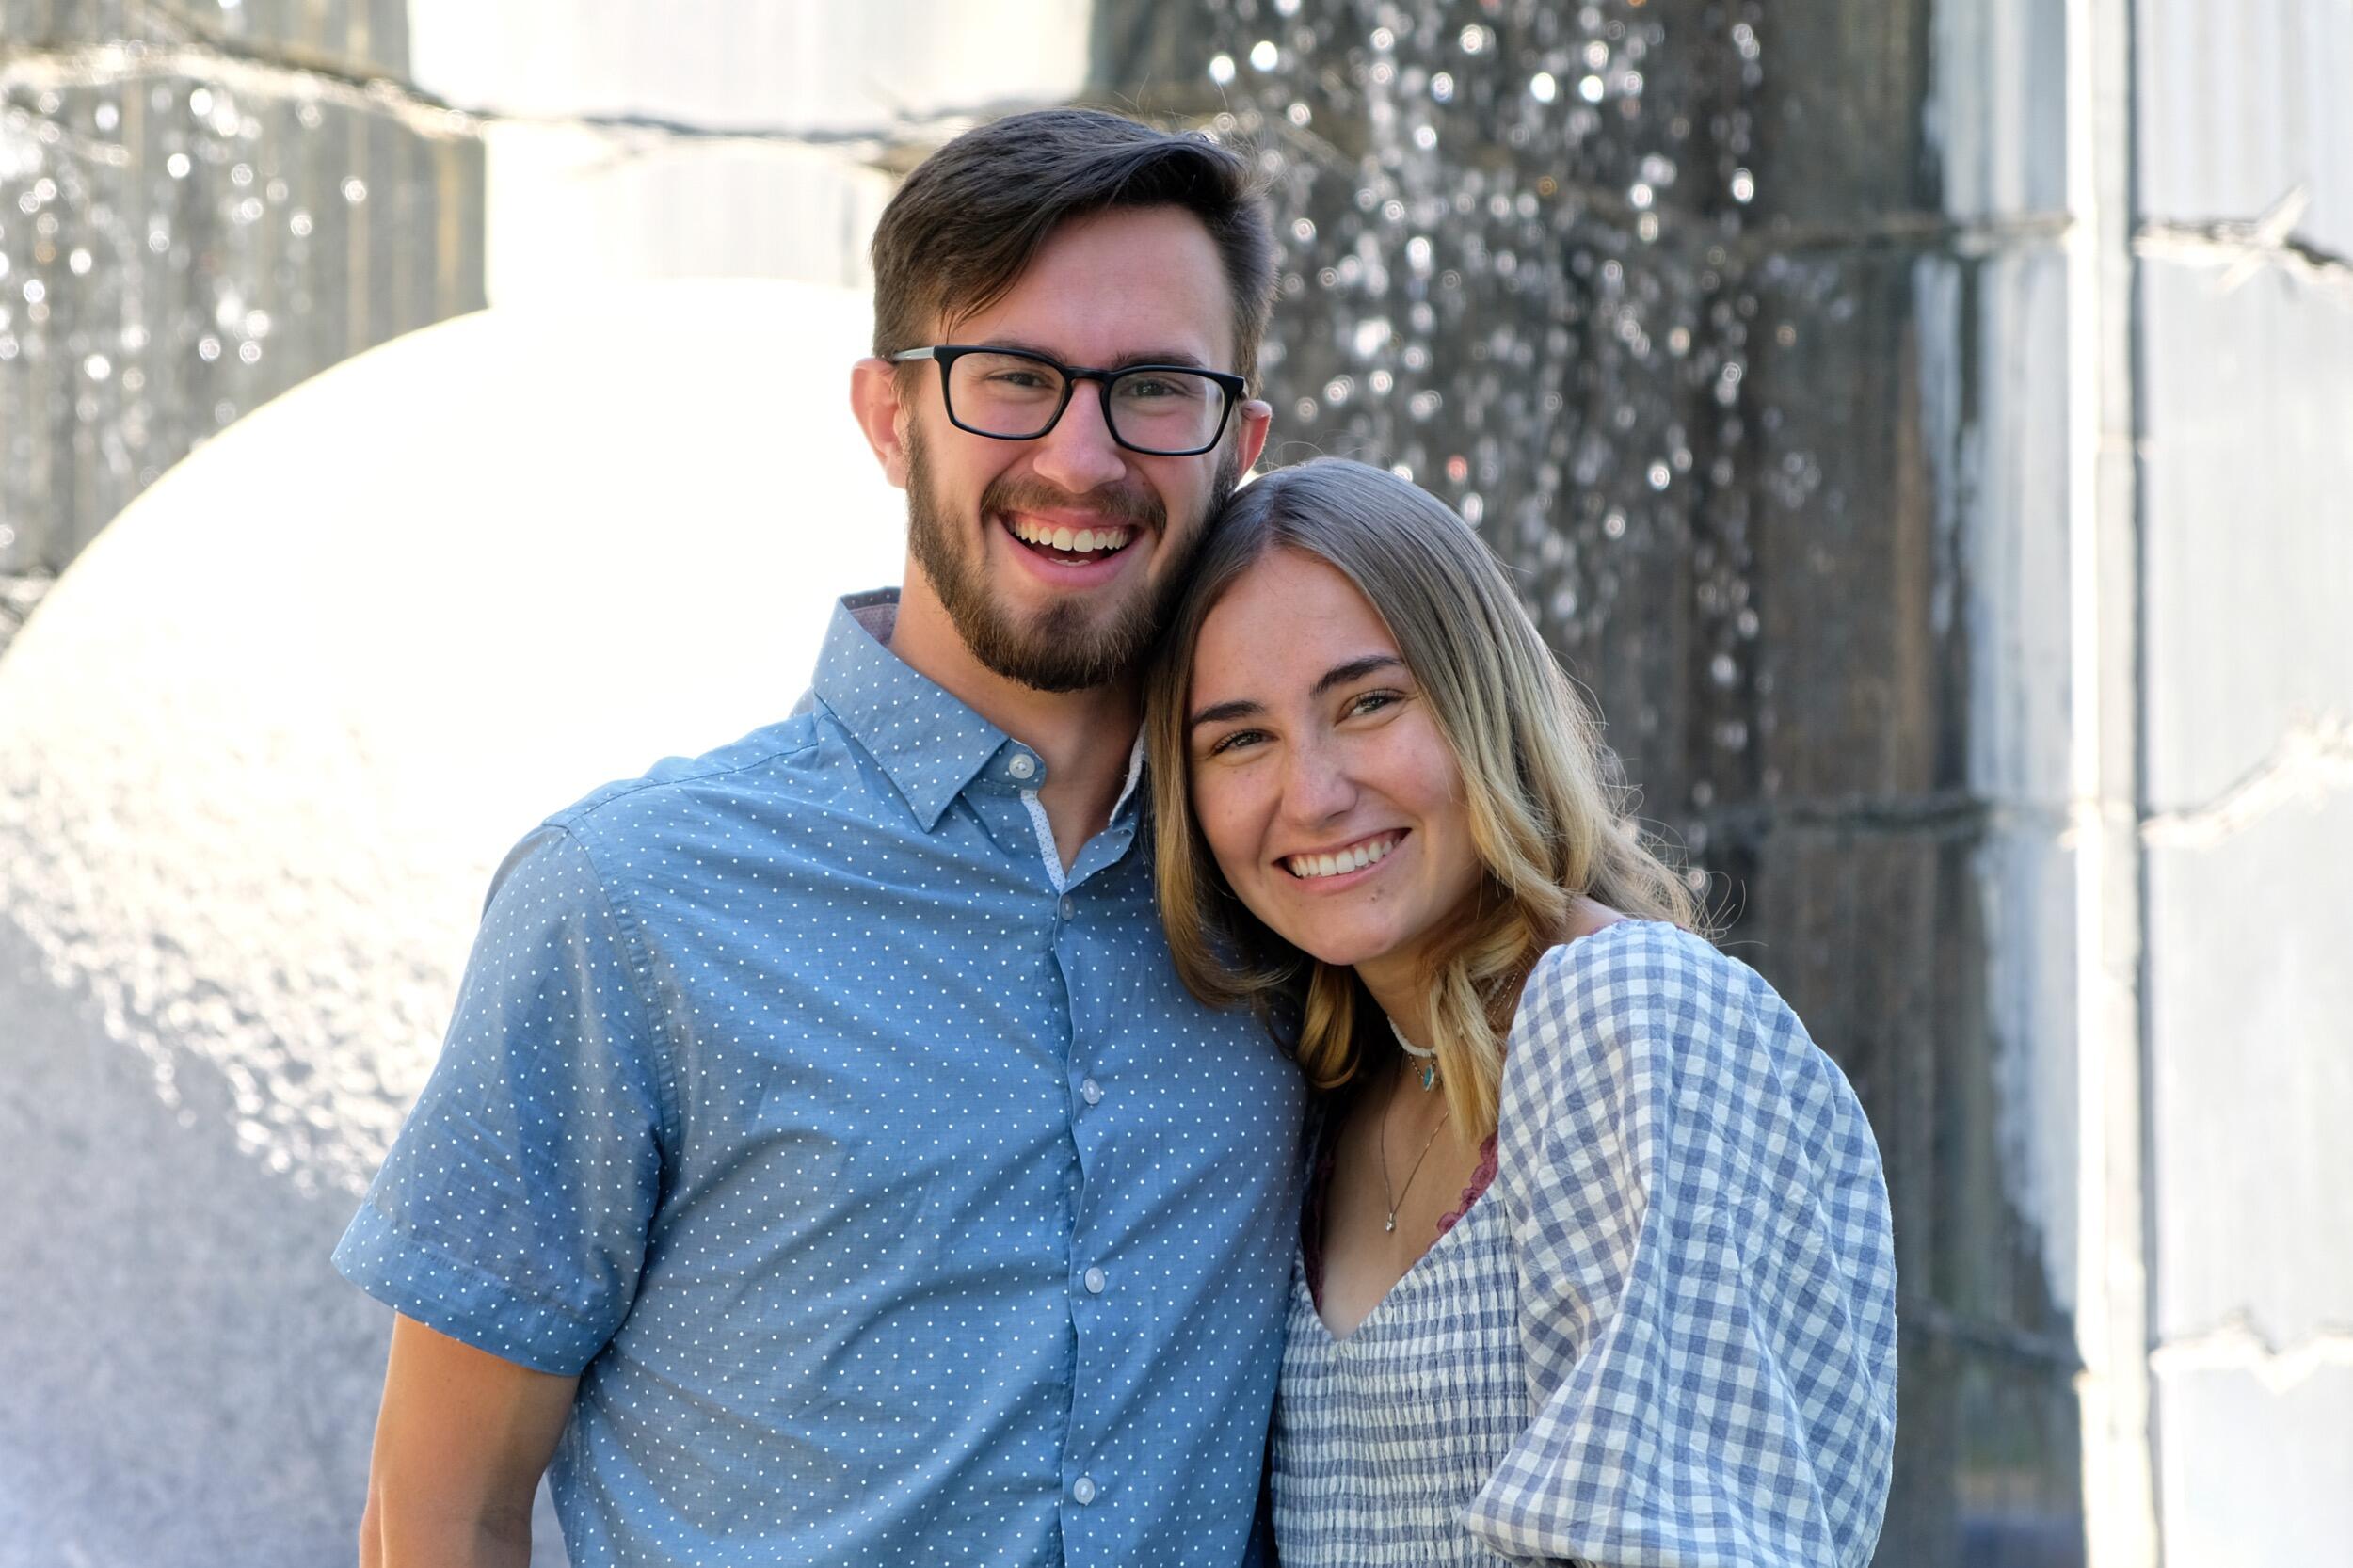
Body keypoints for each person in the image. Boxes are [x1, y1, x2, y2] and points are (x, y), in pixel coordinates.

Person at [334, 108, 1306, 1568]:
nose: (1082, 453)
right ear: (888, 415)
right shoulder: (626, 899)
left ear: (1238, 441)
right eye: (1015, 379)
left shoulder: (1298, 893)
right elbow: (445, 1509)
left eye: (1154, 388)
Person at [1144, 457, 1898, 1567]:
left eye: (1368, 701)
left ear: (1479, 698)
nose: (1311, 792)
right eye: (1240, 738)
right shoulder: (1328, 1091)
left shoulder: (1621, 1012)